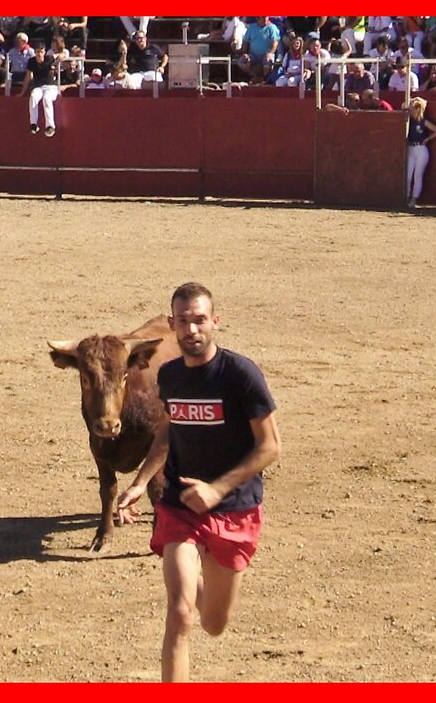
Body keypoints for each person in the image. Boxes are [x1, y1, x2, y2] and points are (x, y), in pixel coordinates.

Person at [116, 283, 280, 684]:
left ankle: (205, 589)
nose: (192, 330)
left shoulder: (240, 375)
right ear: (172, 325)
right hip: (179, 507)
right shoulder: (170, 376)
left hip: (235, 508)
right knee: (179, 613)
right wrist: (141, 483)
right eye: (184, 321)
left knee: (213, 623)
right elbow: (168, 432)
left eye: (200, 320)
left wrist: (218, 489)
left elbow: (270, 446)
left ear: (215, 322)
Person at [403, 96, 436, 209]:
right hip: (411, 148)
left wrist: (427, 139)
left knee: (417, 176)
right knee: (408, 175)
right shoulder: (409, 120)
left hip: (420, 148)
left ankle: (413, 199)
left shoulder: (423, 121)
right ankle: (406, 197)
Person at [21, 42, 60, 137]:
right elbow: (27, 77)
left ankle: (50, 126)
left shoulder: (49, 58)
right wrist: (22, 92)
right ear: (35, 52)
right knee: (33, 97)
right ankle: (33, 124)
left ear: (44, 52)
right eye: (37, 52)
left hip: (51, 87)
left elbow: (60, 54)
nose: (39, 54)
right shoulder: (32, 61)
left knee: (46, 99)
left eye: (41, 52)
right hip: (38, 87)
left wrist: (60, 57)